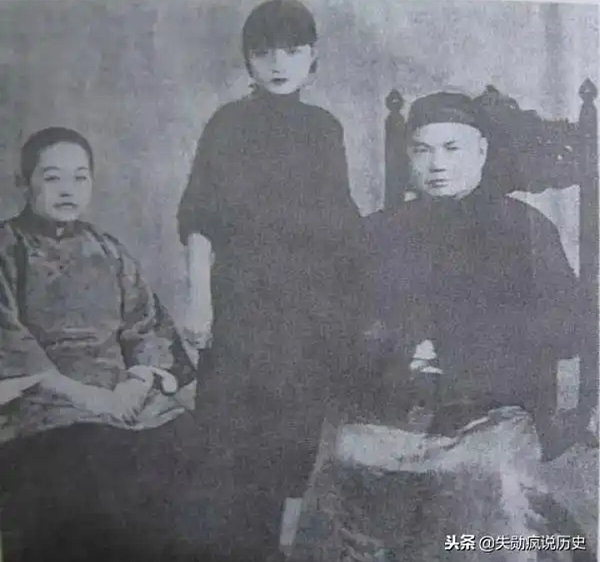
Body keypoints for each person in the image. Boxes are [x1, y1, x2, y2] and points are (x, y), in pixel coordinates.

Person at [290, 92, 596, 561]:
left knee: (487, 477)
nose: (437, 164)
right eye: (422, 150)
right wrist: (396, 350)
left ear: (481, 152)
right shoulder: (376, 233)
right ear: (408, 157)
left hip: (495, 409)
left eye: (452, 148)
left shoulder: (526, 230)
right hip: (394, 404)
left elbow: (566, 326)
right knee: (345, 457)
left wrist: (465, 351)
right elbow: (338, 324)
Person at [176, 1, 361, 559]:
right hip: (240, 305)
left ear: (313, 58)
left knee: (295, 439)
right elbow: (199, 218)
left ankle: (281, 547)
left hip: (309, 310)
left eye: (293, 51)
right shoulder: (227, 125)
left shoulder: (324, 130)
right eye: (264, 52)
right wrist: (200, 301)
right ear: (248, 61)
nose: (279, 63)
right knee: (229, 440)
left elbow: (342, 226)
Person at [0, 127, 198, 562]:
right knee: (97, 464)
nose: (67, 190)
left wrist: (135, 384)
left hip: (125, 401)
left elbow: (146, 326)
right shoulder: (6, 247)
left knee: (193, 448)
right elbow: (9, 342)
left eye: (80, 177)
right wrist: (89, 399)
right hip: (44, 405)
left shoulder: (108, 250)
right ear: (24, 182)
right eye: (52, 177)